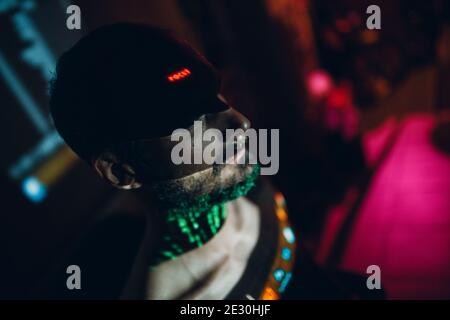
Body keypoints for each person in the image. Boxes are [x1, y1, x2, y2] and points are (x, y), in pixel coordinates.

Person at [39, 23, 358, 300]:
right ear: (121, 171)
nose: (239, 123)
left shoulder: (239, 181)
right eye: (188, 119)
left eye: (215, 96)